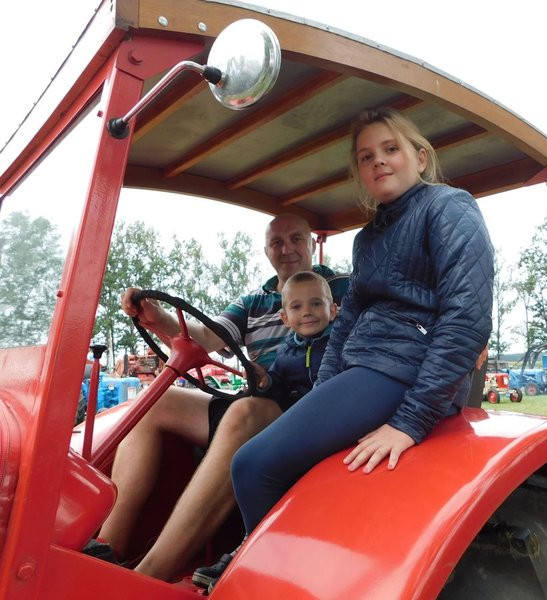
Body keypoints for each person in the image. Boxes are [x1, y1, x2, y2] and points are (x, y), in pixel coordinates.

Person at [230, 108, 493, 546]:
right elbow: (347, 324)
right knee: (285, 463)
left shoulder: (449, 207)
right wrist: (321, 396)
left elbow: (467, 317)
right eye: (366, 157)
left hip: (403, 370)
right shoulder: (367, 239)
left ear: (421, 158)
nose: (379, 162)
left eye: (391, 149)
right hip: (366, 369)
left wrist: (410, 421)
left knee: (252, 466)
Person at [85, 213, 346, 581]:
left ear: (310, 243)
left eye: (296, 239)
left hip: (303, 406)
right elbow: (206, 336)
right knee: (156, 402)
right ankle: (107, 550)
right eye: (276, 242)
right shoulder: (255, 301)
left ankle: (150, 575)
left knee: (244, 413)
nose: (287, 249)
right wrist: (157, 318)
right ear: (267, 250)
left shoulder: (339, 288)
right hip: (259, 395)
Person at [192, 270, 336, 589]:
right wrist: (266, 380)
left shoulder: (339, 344)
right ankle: (250, 543)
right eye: (297, 307)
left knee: (260, 464)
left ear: (333, 309)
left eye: (316, 303)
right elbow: (279, 386)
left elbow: (335, 387)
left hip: (328, 425)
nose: (308, 311)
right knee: (252, 463)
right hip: (296, 423)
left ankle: (262, 550)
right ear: (285, 317)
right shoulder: (287, 352)